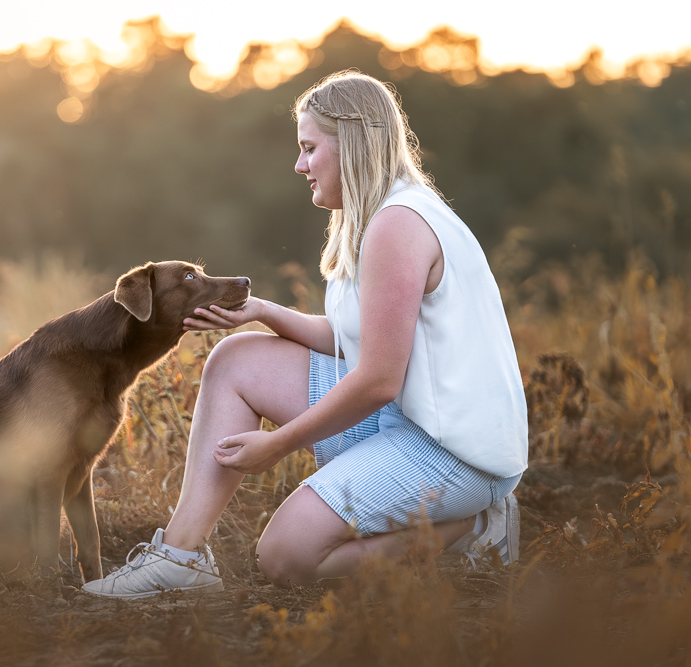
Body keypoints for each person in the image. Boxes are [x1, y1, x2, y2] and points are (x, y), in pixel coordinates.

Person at [82, 70, 528, 598]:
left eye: (310, 148)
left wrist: (278, 444)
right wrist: (264, 312)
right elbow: (356, 340)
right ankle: (181, 557)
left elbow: (380, 378)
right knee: (235, 360)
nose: (300, 165)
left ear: (354, 142)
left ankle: (476, 528)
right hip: (411, 417)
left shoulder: (398, 226)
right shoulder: (377, 217)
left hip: (455, 453)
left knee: (285, 558)